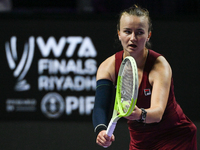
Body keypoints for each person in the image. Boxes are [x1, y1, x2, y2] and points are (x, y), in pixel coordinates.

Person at [92, 5, 197, 149]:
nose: (133, 38)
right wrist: (101, 130)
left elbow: (158, 113)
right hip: (140, 141)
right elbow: (100, 107)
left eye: (140, 32)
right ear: (119, 34)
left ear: (148, 36)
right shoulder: (108, 67)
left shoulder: (159, 65)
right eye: (127, 31)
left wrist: (139, 114)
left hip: (174, 137)